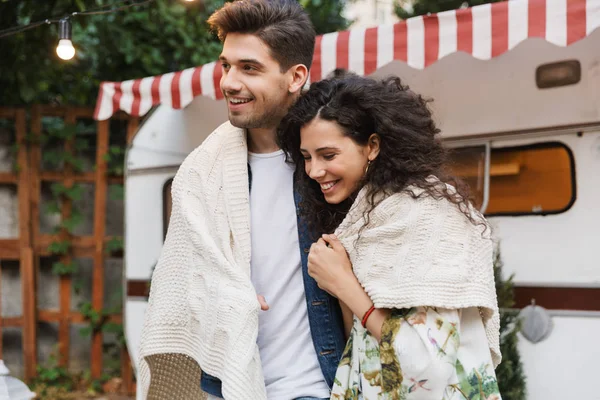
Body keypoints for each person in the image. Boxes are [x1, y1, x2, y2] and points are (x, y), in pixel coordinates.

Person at [137, 1, 346, 399]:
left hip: (321, 385)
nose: (230, 82)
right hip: (229, 383)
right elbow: (180, 283)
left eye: (249, 68)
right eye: (226, 66)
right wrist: (224, 292)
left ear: (295, 76)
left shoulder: (333, 164)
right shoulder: (202, 171)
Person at [277, 74, 502, 399]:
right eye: (307, 157)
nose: (313, 171)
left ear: (372, 146)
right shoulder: (365, 217)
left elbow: (425, 365)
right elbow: (360, 338)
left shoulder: (426, 213)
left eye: (328, 155)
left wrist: (343, 283)